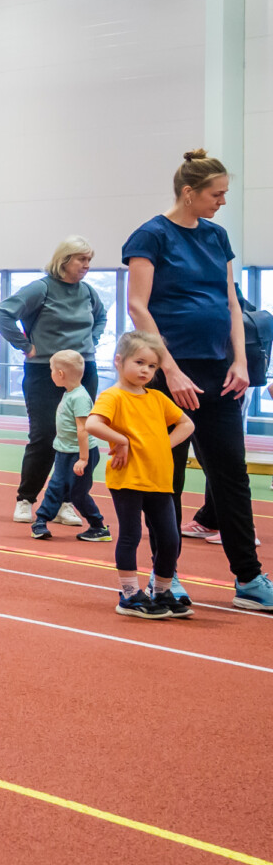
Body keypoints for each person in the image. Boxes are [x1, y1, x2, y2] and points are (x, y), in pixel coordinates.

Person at [124, 149, 272, 611]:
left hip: (219, 374)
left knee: (231, 475)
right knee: (165, 480)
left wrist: (240, 361)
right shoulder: (151, 236)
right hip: (166, 376)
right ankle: (165, 578)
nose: (222, 202)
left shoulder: (216, 236)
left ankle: (249, 578)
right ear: (189, 193)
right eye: (216, 194)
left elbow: (231, 303)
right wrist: (169, 369)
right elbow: (138, 307)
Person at [0, 237, 106, 525]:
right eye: (81, 259)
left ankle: (64, 502)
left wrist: (91, 341)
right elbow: (1, 313)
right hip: (45, 371)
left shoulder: (88, 292)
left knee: (79, 438)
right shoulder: (40, 289)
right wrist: (25, 345)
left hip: (84, 372)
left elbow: (101, 317)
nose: (87, 265)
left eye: (89, 260)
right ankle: (26, 499)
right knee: (44, 435)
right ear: (64, 260)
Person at [85, 333, 195, 619]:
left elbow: (187, 424)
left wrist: (163, 445)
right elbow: (93, 424)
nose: (146, 370)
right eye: (139, 362)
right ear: (119, 361)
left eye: (152, 366)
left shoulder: (157, 398)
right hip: (128, 479)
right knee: (131, 535)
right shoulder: (113, 396)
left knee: (169, 539)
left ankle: (162, 592)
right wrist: (121, 440)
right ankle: (129, 594)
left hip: (159, 479)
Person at [29, 349, 109, 542]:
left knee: (78, 493)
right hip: (65, 452)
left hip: (80, 454)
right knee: (56, 486)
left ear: (60, 374)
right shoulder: (70, 393)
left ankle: (98, 526)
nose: (51, 374)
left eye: (51, 370)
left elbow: (83, 429)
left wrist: (83, 459)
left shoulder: (79, 397)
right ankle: (41, 522)